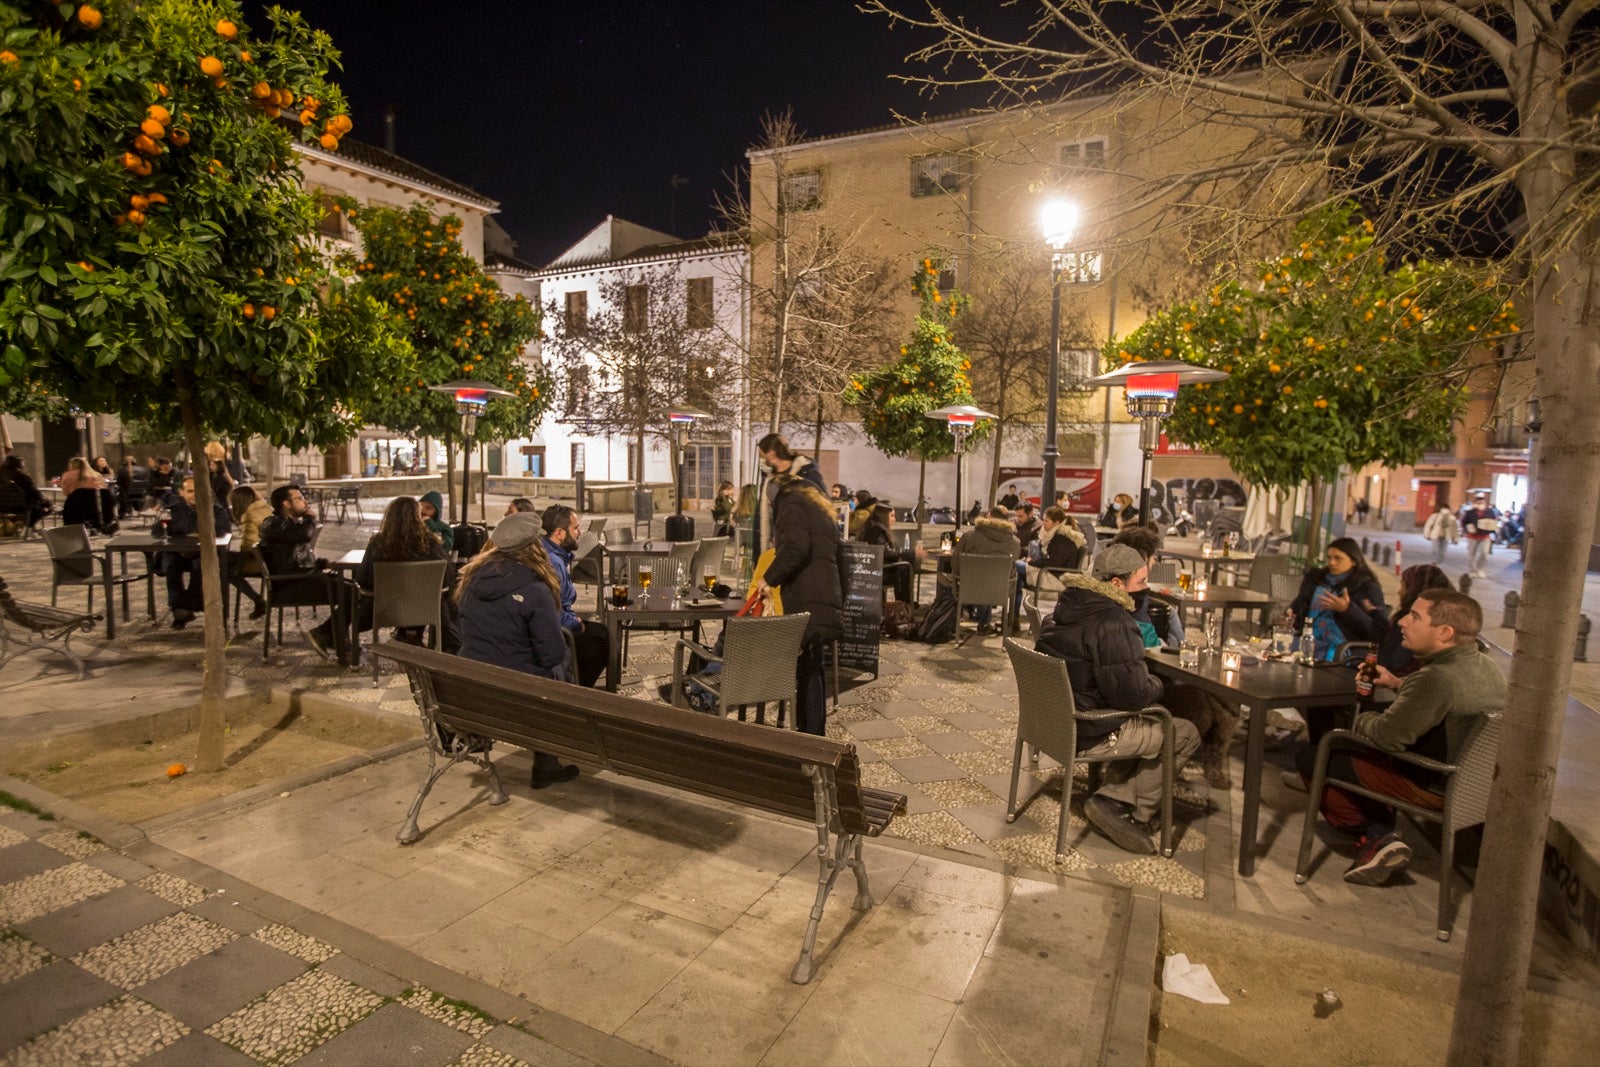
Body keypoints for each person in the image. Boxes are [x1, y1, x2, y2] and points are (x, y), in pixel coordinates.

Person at [1291, 589, 1505, 885]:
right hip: (1473, 787)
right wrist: (1396, 683)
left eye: (1415, 617)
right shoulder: (1485, 667)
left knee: (1317, 753)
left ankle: (1374, 835)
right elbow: (1440, 700)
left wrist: (1362, 717)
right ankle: (1380, 835)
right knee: (1348, 746)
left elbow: (1387, 738)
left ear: (1444, 633)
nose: (1403, 621)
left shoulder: (1435, 679)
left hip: (1431, 784)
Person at [1036, 543, 1201, 853]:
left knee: (1151, 719)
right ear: (1116, 584)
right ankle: (1124, 806)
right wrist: (1159, 682)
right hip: (1089, 729)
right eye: (1140, 582)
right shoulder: (1114, 622)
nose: (1145, 589)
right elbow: (1132, 696)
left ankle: (1116, 787)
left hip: (1052, 723)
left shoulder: (1066, 608)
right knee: (1184, 732)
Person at [455, 511, 580, 788]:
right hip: (521, 699)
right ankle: (546, 764)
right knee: (561, 667)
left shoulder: (470, 580)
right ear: (535, 548)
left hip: (474, 690)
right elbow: (551, 654)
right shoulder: (535, 589)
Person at [307, 495, 458, 657]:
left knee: (353, 593)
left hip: (382, 610)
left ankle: (328, 633)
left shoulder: (378, 543)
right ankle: (411, 635)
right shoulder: (432, 544)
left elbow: (363, 579)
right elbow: (446, 575)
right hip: (423, 609)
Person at [756, 474, 843, 736]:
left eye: (770, 504)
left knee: (809, 667)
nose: (772, 508)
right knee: (812, 665)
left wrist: (768, 579)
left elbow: (796, 547)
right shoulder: (817, 506)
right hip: (825, 593)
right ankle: (812, 731)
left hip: (807, 594)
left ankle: (811, 736)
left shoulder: (791, 503)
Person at [259, 484, 340, 659]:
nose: (305, 502)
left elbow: (298, 557)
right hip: (290, 586)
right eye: (300, 498)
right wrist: (311, 518)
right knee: (351, 592)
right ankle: (325, 634)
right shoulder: (273, 524)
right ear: (286, 504)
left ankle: (331, 637)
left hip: (303, 579)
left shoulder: (290, 524)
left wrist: (321, 564)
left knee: (351, 587)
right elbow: (304, 536)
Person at [540, 503, 608, 687]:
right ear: (560, 533)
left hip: (560, 622)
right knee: (601, 644)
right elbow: (554, 611)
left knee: (603, 633)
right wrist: (576, 624)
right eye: (575, 528)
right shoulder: (553, 562)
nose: (579, 533)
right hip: (558, 630)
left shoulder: (556, 555)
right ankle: (578, 690)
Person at [1289, 537, 1386, 663]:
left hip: (1343, 647)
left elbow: (1378, 632)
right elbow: (1299, 605)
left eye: (1338, 558)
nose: (1332, 563)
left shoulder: (1367, 588)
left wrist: (1348, 610)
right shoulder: (1316, 579)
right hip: (1307, 640)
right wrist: (1290, 613)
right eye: (1329, 558)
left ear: (1354, 561)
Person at [156, 475, 232, 629]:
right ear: (182, 492)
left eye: (198, 491)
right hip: (177, 552)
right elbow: (158, 534)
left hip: (204, 553)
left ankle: (184, 608)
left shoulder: (215, 510)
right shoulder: (174, 509)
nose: (194, 495)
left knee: (202, 567)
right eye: (190, 491)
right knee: (171, 565)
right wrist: (159, 523)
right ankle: (180, 609)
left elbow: (224, 531)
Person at [940, 506, 1020, 632]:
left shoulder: (969, 536)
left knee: (952, 577)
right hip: (1001, 590)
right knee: (991, 577)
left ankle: (952, 618)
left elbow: (955, 564)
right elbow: (1013, 567)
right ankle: (987, 623)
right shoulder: (1015, 542)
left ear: (989, 516)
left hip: (970, 587)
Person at [756, 433, 826, 549]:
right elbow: (762, 514)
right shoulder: (768, 477)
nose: (761, 460)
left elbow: (822, 503)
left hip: (800, 540)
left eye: (761, 455)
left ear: (772, 454)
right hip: (776, 542)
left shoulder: (806, 472)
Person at [859, 503, 925, 604]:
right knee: (905, 568)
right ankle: (904, 604)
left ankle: (905, 603)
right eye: (892, 516)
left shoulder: (870, 528)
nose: (894, 519)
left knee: (905, 565)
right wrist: (911, 552)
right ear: (884, 516)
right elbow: (887, 554)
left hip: (869, 569)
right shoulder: (878, 530)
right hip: (878, 572)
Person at [1019, 505, 1086, 599]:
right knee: (1018, 570)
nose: (1043, 524)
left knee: (1017, 567)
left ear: (1056, 523)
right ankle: (1015, 607)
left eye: (1046, 521)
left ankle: (1014, 607)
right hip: (1053, 572)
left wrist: (1031, 562)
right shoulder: (1056, 535)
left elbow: (1055, 562)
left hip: (1057, 577)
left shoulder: (1062, 538)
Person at [228, 485, 272, 620]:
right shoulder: (266, 508)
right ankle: (258, 601)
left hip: (261, 561)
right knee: (226, 560)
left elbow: (248, 545)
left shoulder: (249, 515)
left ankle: (257, 600)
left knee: (225, 569)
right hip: (270, 556)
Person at [60, 456, 116, 533]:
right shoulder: (96, 474)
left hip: (77, 504)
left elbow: (66, 492)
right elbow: (104, 488)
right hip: (97, 504)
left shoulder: (67, 475)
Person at [0, 455, 49, 530]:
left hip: (2, 506)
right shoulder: (23, 476)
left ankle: (18, 525)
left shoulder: (2, 475)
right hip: (23, 506)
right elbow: (34, 492)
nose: (24, 465)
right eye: (23, 463)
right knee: (46, 507)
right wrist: (46, 502)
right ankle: (28, 527)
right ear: (18, 464)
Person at [1459, 494, 1499, 578]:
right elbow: (1463, 522)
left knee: (1484, 553)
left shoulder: (1490, 512)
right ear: (1476, 503)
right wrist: (1467, 529)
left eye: (1482, 501)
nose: (1481, 503)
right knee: (1472, 554)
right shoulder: (1470, 512)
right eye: (1479, 501)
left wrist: (1493, 530)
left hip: (1485, 536)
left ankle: (1480, 569)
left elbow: (1493, 522)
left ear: (1485, 502)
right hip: (1472, 536)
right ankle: (1472, 571)